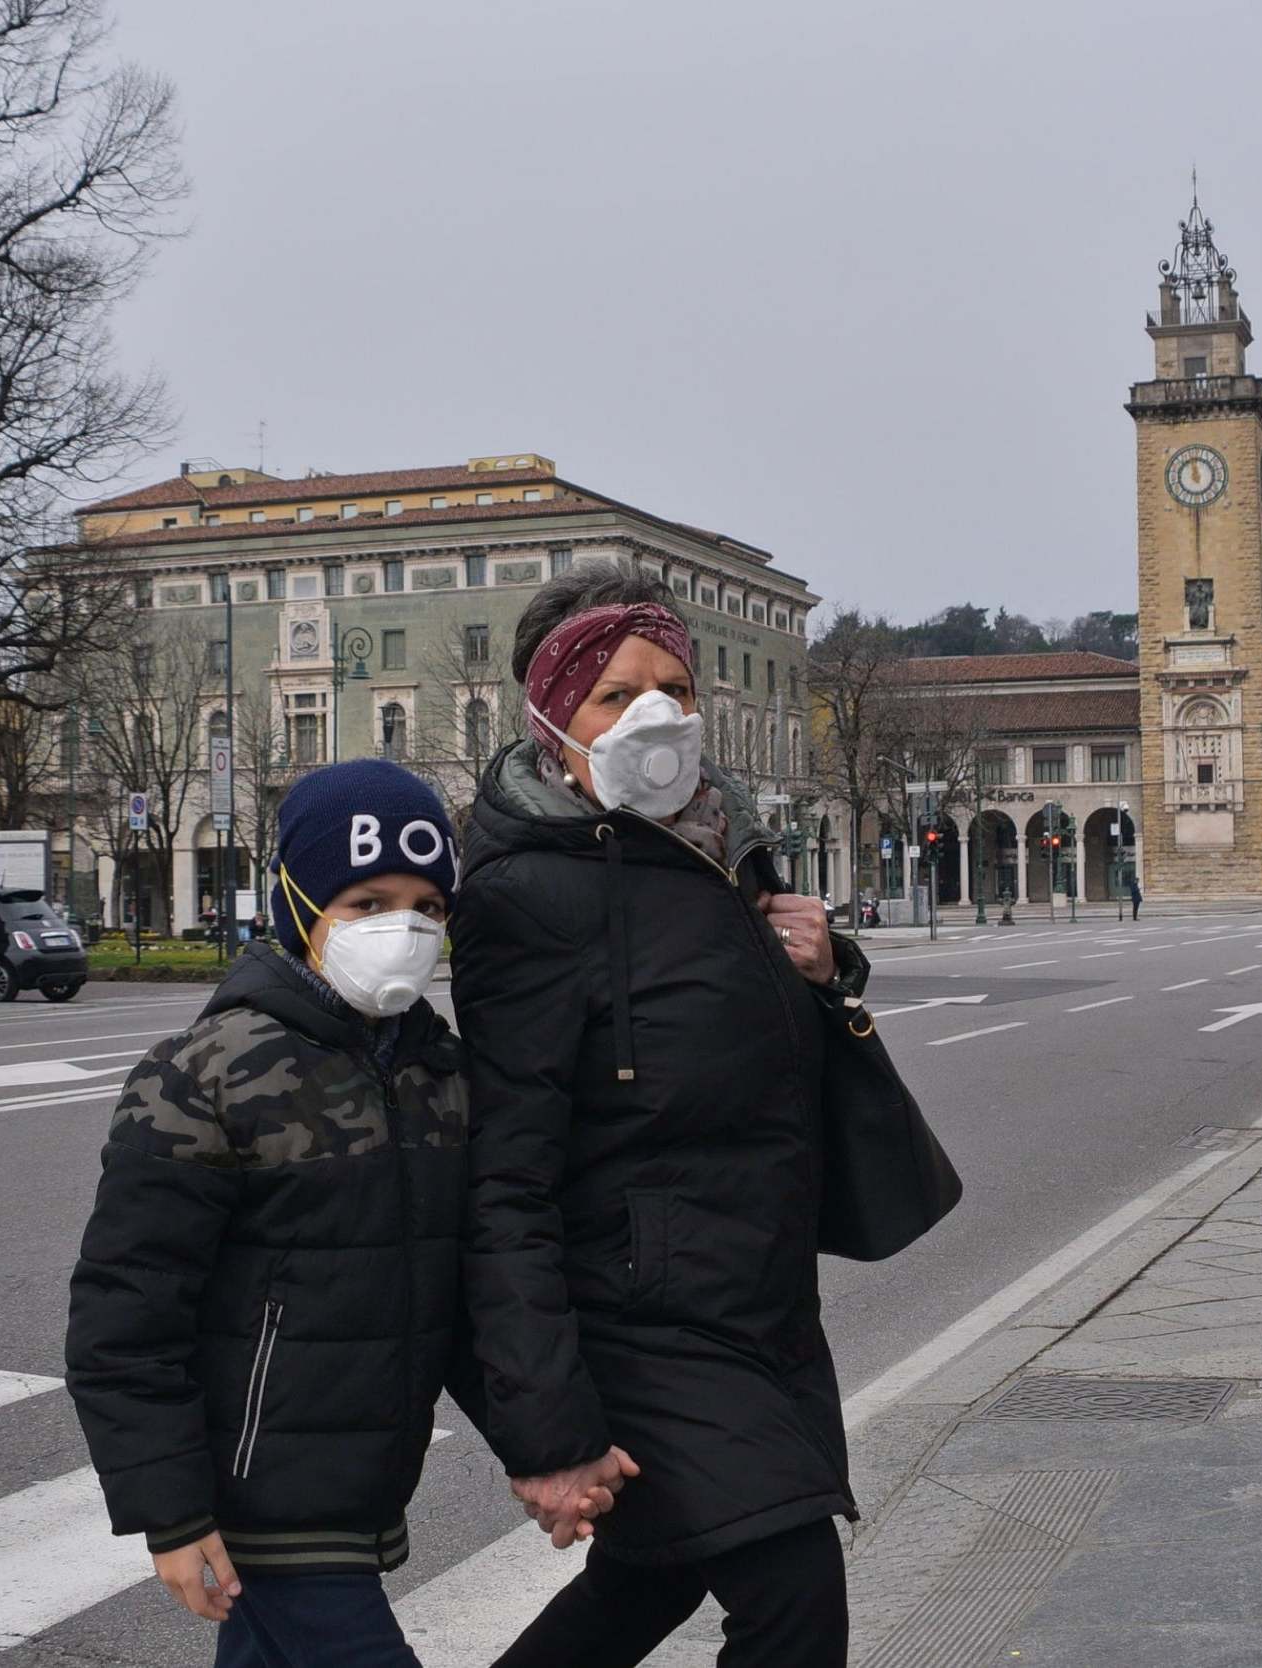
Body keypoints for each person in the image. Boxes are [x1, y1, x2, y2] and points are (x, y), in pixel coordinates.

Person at [63, 760, 562, 1667]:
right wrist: (169, 1512)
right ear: (298, 903)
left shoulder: (439, 1072)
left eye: (427, 905)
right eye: (365, 902)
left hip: (360, 1490)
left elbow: (466, 1298)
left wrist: (548, 1450)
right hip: (260, 1503)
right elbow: (124, 1316)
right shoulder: (203, 1072)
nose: (401, 928)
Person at [455, 566, 862, 1668]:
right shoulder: (522, 893)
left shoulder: (714, 850)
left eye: (676, 689)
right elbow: (505, 1178)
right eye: (614, 694)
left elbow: (752, 1066)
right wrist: (547, 1429)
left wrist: (824, 970)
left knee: (654, 1574)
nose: (656, 715)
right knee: (790, 1598)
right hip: (639, 1319)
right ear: (549, 716)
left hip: (753, 1300)